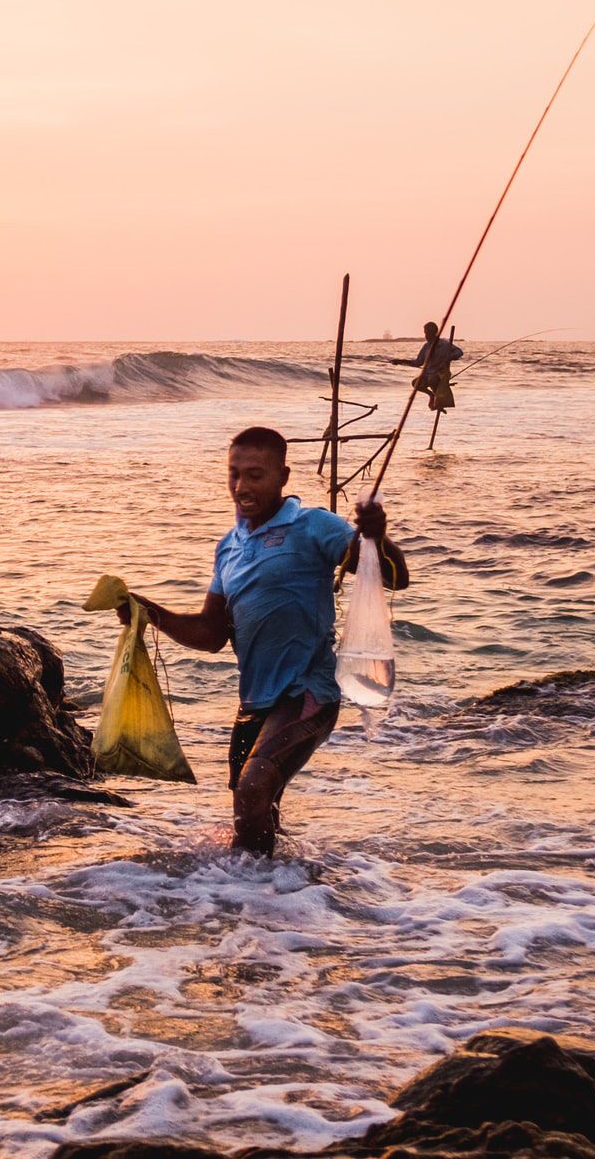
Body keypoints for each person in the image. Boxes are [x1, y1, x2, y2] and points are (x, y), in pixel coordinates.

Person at [116, 426, 408, 855]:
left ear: (283, 476)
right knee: (254, 810)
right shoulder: (228, 547)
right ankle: (280, 902)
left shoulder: (313, 527)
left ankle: (252, 896)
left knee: (252, 790)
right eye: (233, 473)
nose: (240, 486)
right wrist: (148, 612)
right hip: (254, 703)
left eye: (255, 475)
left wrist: (375, 538)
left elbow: (395, 577)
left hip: (309, 692)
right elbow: (212, 634)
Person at [411, 320, 462, 413]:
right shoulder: (426, 346)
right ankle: (432, 396)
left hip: (440, 374)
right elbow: (418, 362)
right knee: (415, 383)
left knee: (432, 380)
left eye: (428, 333)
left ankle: (438, 402)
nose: (426, 336)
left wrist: (449, 358)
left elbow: (459, 352)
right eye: (425, 333)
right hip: (428, 374)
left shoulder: (445, 344)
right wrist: (400, 361)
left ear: (434, 333)